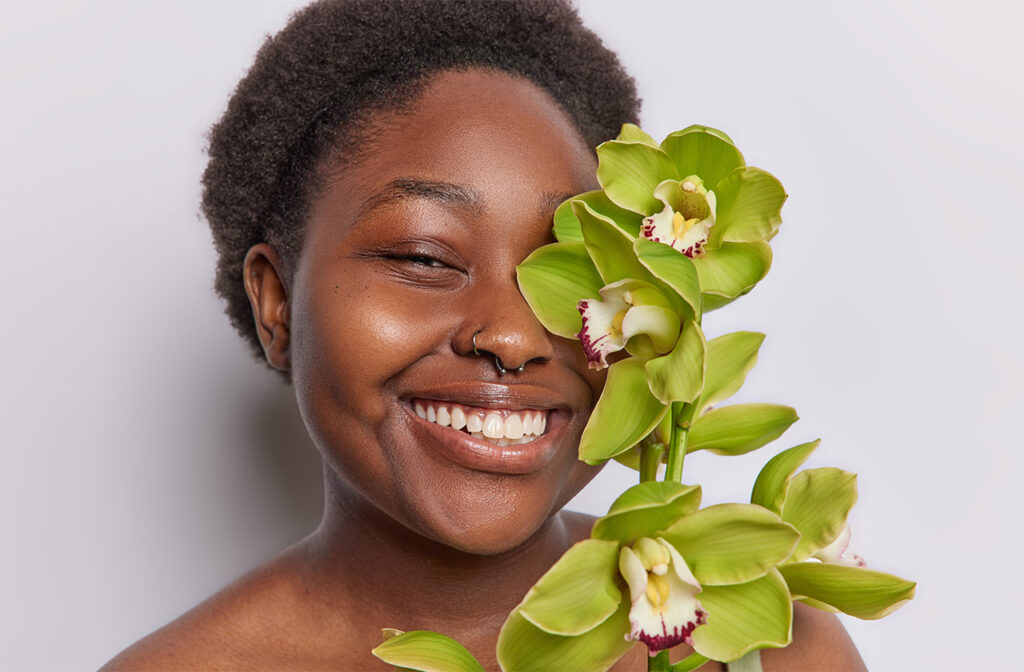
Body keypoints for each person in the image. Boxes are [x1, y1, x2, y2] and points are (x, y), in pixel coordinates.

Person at [103, 1, 865, 669]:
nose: (510, 335)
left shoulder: (777, 651)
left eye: (571, 274)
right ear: (275, 306)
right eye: (423, 257)